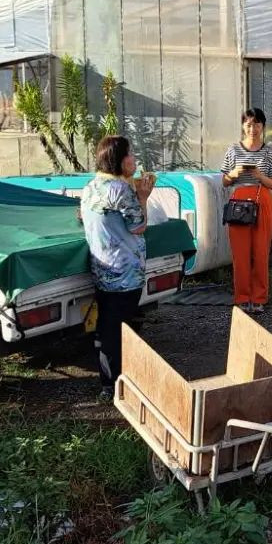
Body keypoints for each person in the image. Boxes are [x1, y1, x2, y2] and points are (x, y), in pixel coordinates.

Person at [80, 135, 155, 402]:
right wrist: (143, 197)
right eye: (130, 154)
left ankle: (110, 382)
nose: (134, 159)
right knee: (120, 329)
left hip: (102, 270)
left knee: (108, 327)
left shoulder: (90, 187)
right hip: (124, 274)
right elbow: (138, 226)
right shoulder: (120, 191)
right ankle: (117, 384)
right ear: (119, 160)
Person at [221, 108, 272, 312]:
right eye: (248, 124)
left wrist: (259, 176)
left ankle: (259, 298)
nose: (252, 128)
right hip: (238, 202)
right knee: (240, 253)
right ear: (242, 126)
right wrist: (234, 173)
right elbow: (224, 181)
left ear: (263, 126)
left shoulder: (269, 150)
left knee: (261, 251)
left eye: (256, 124)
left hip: (261, 199)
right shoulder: (233, 150)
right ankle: (242, 297)